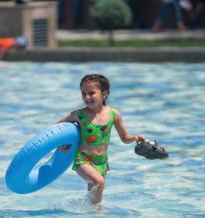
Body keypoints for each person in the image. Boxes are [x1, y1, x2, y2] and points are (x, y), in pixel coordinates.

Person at [55, 74, 145, 212]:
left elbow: (124, 137)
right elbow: (55, 129)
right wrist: (60, 145)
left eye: (91, 93)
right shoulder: (78, 115)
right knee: (99, 182)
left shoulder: (114, 114)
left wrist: (134, 138)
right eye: (83, 93)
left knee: (92, 198)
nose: (87, 97)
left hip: (102, 161)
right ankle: (99, 213)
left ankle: (88, 211)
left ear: (104, 94)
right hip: (83, 159)